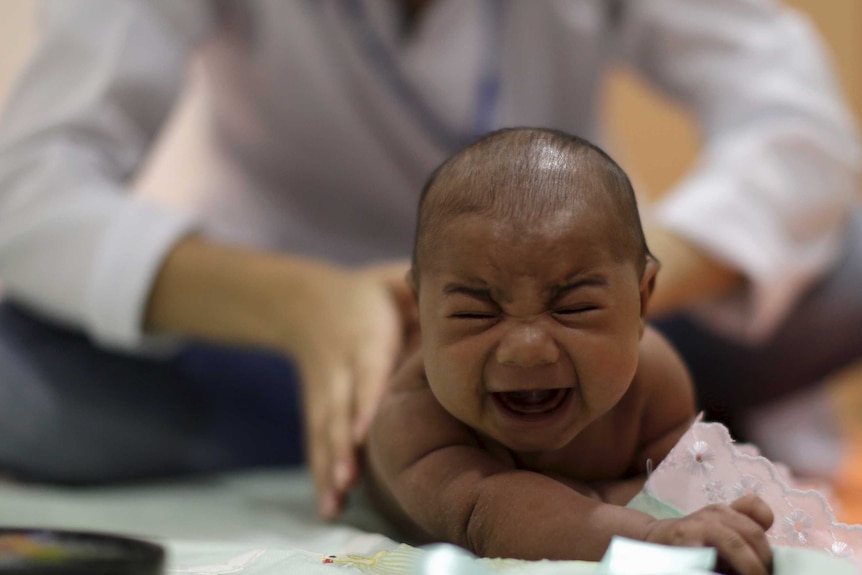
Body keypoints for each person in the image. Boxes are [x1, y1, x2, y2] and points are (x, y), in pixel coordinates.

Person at [0, 0, 858, 520]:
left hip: (604, 337)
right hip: (282, 341)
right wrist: (304, 305)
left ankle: (585, 408)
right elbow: (31, 183)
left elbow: (798, 130)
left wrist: (595, 295)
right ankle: (422, 437)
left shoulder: (613, 306)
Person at [365, 127, 774, 575]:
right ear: (421, 312)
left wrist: (723, 510)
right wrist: (652, 535)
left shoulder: (653, 380)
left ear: (642, 299)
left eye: (574, 307)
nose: (527, 350)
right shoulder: (413, 417)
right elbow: (497, 515)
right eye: (474, 314)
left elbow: (679, 484)